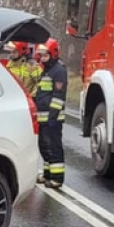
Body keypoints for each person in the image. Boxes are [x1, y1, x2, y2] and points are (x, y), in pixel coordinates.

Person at [34, 37, 67, 188]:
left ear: (53, 54)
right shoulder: (46, 70)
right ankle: (47, 174)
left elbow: (58, 97)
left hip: (52, 118)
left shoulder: (59, 70)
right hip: (43, 117)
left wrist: (52, 117)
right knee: (44, 146)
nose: (42, 58)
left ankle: (57, 178)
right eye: (41, 55)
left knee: (53, 147)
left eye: (45, 55)